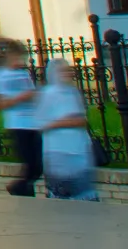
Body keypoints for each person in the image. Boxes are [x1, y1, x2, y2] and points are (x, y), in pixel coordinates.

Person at [36, 58, 98, 201]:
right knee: (63, 194)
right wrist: (67, 121)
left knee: (84, 195)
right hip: (58, 152)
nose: (67, 73)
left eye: (68, 70)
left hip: (79, 150)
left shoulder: (72, 92)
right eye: (62, 70)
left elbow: (82, 120)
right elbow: (41, 123)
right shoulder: (48, 94)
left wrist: (71, 121)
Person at [0, 40, 41, 197]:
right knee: (29, 162)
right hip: (17, 124)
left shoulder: (23, 74)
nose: (20, 60)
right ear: (10, 56)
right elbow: (0, 104)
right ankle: (20, 189)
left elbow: (33, 94)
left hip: (34, 123)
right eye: (17, 57)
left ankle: (23, 188)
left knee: (38, 165)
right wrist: (22, 97)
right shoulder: (1, 76)